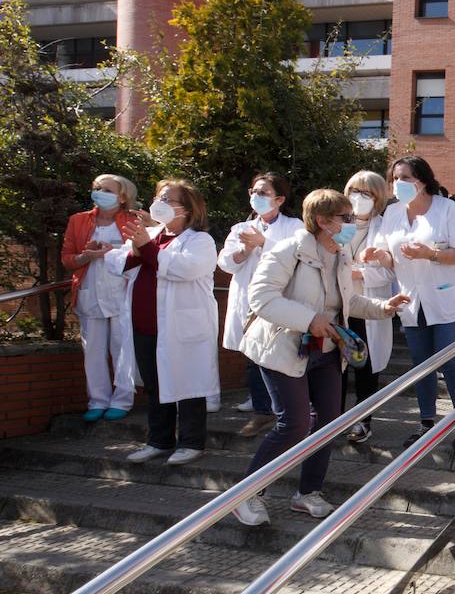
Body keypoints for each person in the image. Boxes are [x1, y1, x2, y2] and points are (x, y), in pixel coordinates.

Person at [233, 190, 409, 526]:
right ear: (321, 221)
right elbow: (261, 297)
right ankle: (246, 494)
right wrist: (308, 319)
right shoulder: (287, 251)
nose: (351, 224)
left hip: (326, 351)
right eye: (344, 218)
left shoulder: (340, 256)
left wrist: (384, 308)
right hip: (283, 346)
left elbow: (348, 302)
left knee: (330, 422)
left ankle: (307, 493)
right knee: (294, 422)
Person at [365, 156, 455, 449]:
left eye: (404, 177)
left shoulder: (447, 209)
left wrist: (431, 254)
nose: (397, 184)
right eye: (394, 178)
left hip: (447, 297)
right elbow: (394, 259)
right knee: (421, 363)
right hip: (411, 299)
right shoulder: (391, 214)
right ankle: (426, 422)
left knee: (448, 358)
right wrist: (380, 257)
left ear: (423, 180)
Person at [119, 180, 218, 466]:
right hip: (146, 325)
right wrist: (137, 249)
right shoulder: (151, 235)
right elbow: (118, 263)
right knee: (155, 385)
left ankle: (191, 442)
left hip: (180, 328)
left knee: (188, 385)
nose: (159, 203)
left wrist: (144, 248)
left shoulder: (200, 240)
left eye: (168, 199)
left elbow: (184, 269)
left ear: (187, 210)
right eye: (158, 197)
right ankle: (159, 441)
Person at [218, 173, 304, 438]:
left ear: (279, 198)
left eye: (264, 193)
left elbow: (298, 255)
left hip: (279, 299)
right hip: (246, 299)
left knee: (277, 353)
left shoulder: (293, 226)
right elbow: (224, 263)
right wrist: (243, 252)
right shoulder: (239, 229)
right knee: (252, 353)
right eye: (254, 191)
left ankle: (287, 411)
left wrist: (263, 243)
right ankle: (262, 411)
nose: (257, 197)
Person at [62, 174, 141, 422]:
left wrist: (111, 252)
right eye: (97, 188)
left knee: (122, 349)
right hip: (89, 291)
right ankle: (97, 400)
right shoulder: (78, 221)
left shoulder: (133, 220)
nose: (100, 192)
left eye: (107, 189)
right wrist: (86, 257)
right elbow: (67, 258)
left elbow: (142, 256)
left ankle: (122, 399)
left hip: (121, 293)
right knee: (93, 351)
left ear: (122, 196)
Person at [342, 170, 396, 443]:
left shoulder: (386, 227)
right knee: (335, 366)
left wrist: (359, 273)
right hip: (338, 307)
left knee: (365, 366)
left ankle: (363, 421)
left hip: (368, 306)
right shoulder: (338, 222)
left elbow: (392, 272)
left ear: (377, 198)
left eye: (365, 194)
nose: (357, 198)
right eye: (353, 191)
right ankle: (331, 422)